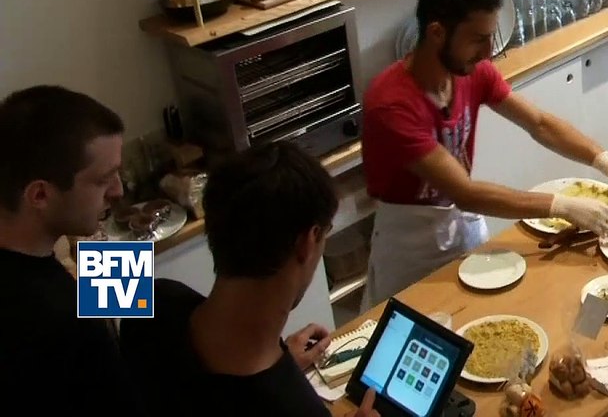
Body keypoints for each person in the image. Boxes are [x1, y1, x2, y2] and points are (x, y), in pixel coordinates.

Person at [359, 0, 608, 308]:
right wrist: (561, 206)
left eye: (491, 37)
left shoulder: (472, 71)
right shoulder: (392, 104)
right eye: (478, 39)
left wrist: (607, 162)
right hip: (410, 247)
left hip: (462, 227)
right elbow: (465, 192)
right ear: (437, 32)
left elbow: (540, 124)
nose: (489, 52)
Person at [120, 142, 379, 417]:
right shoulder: (295, 407)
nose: (114, 190)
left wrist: (283, 365)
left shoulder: (149, 300)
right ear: (309, 240)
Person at [0, 86, 142, 414]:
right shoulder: (65, 320)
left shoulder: (42, 251)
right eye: (104, 179)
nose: (119, 190)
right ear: (40, 196)